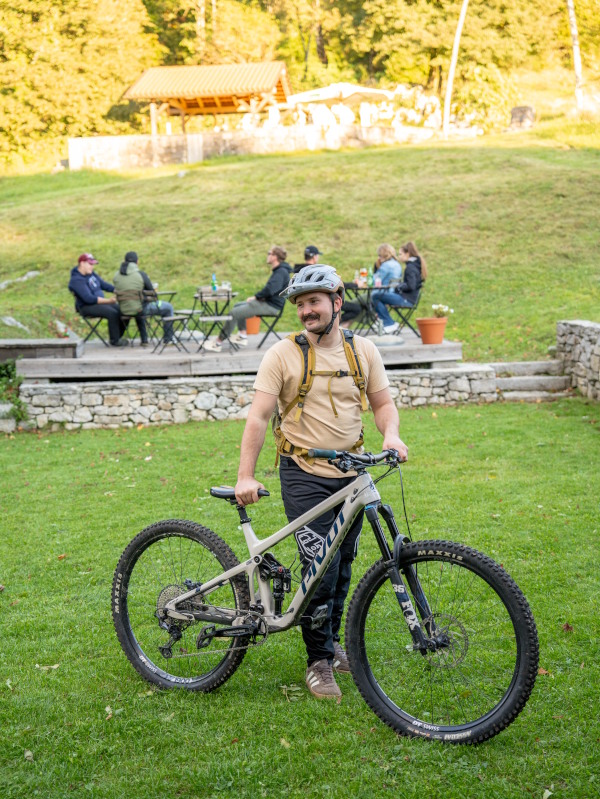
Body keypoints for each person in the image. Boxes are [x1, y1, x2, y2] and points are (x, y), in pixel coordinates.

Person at [234, 264, 408, 700]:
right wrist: (245, 475)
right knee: (321, 572)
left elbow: (382, 403)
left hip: (351, 474)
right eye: (300, 304)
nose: (306, 311)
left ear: (337, 302)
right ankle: (318, 663)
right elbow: (258, 416)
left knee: (343, 566)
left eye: (314, 301)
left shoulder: (362, 350)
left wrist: (391, 434)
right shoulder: (282, 354)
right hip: (303, 472)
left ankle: (329, 644)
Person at [204, 246, 291, 351]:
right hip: (268, 303)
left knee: (234, 313)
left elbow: (270, 290)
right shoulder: (280, 270)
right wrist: (257, 298)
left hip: (271, 306)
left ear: (275, 257)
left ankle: (218, 343)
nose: (267, 255)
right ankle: (242, 335)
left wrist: (256, 297)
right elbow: (271, 290)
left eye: (269, 253)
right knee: (238, 306)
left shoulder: (281, 272)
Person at [113, 252, 175, 346]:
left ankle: (144, 339)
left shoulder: (116, 276)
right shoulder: (140, 274)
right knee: (168, 307)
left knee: (137, 305)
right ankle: (168, 339)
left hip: (123, 310)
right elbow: (152, 293)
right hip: (140, 310)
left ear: (124, 261)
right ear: (137, 262)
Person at [68, 253, 128, 347]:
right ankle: (115, 340)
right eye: (90, 264)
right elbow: (89, 299)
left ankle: (118, 336)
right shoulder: (76, 280)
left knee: (125, 309)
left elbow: (103, 284)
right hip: (86, 307)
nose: (92, 267)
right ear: (82, 263)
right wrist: (109, 301)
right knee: (112, 313)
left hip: (99, 304)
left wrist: (118, 291)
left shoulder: (91, 274)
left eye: (93, 265)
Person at [341, 244, 402, 330]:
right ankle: (346, 325)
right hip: (391, 294)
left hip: (380, 294)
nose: (379, 257)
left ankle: (342, 326)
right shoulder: (397, 264)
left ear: (384, 254)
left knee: (354, 304)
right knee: (363, 308)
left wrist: (361, 282)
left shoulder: (386, 265)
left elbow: (374, 280)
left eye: (379, 255)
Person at [371, 242, 427, 332]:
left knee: (376, 296)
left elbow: (411, 286)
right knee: (378, 296)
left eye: (401, 254)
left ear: (407, 254)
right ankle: (387, 322)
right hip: (408, 298)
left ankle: (388, 323)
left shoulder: (410, 268)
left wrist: (398, 286)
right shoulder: (414, 265)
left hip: (406, 300)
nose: (399, 256)